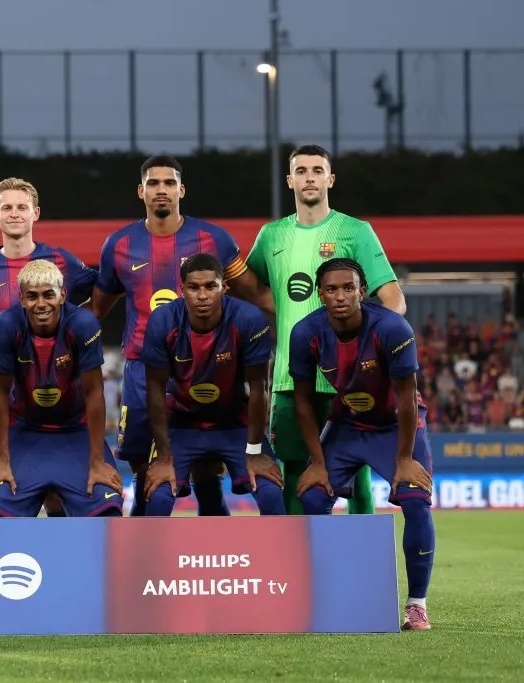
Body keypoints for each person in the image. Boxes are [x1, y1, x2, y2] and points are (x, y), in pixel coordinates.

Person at [90, 154, 274, 516]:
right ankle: (142, 556)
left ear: (181, 190)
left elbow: (257, 294)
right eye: (154, 183)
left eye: (169, 183)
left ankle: (209, 553)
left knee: (206, 467)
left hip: (207, 370)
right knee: (148, 470)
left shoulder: (214, 239)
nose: (162, 190)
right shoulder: (119, 244)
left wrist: (311, 314)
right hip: (144, 370)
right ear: (141, 191)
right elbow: (96, 309)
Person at [246, 144, 408, 515]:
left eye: (317, 171)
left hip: (348, 378)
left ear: (330, 179)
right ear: (289, 180)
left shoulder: (355, 231)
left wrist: (377, 349)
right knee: (292, 470)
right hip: (290, 377)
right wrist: (278, 310)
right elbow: (248, 287)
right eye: (301, 171)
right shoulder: (271, 236)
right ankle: (293, 566)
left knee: (357, 476)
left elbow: (394, 299)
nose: (310, 178)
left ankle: (361, 565)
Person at [291, 258, 434, 631]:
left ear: (362, 290)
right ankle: (325, 594)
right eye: (332, 289)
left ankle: (416, 605)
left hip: (397, 426)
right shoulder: (305, 332)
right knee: (313, 496)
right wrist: (318, 462)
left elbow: (407, 396)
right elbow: (304, 401)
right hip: (347, 425)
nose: (340, 296)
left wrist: (404, 457)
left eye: (348, 288)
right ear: (320, 294)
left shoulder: (391, 327)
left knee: (416, 502)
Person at [0, 177, 97, 516]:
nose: (14, 213)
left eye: (21, 207)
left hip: (55, 397)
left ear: (36, 214)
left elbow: (103, 293)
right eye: (7, 208)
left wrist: (76, 332)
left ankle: (56, 564)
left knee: (57, 495)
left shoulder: (63, 262)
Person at [141, 253, 284, 516]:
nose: (202, 295)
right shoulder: (162, 321)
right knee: (158, 497)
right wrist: (163, 456)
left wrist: (254, 451)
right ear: (181, 290)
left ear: (224, 287)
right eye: (194, 287)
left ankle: (278, 557)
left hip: (235, 425)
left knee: (272, 492)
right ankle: (154, 558)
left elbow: (259, 387)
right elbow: (155, 390)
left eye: (211, 286)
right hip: (181, 426)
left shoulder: (249, 319)